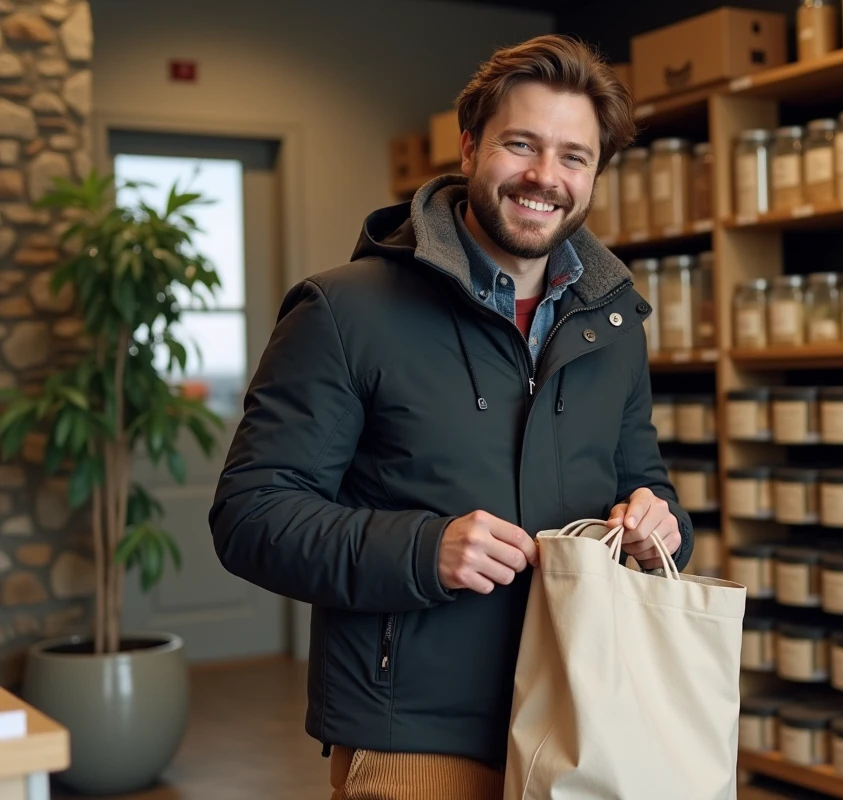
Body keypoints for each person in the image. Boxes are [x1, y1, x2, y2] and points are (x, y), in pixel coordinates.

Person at [208, 33, 693, 800]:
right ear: (469, 149)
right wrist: (425, 551)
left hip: (585, 722)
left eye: (573, 156)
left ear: (594, 174)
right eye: (521, 144)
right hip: (415, 735)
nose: (545, 176)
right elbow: (250, 517)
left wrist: (659, 525)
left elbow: (646, 484)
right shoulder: (343, 311)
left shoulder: (615, 324)